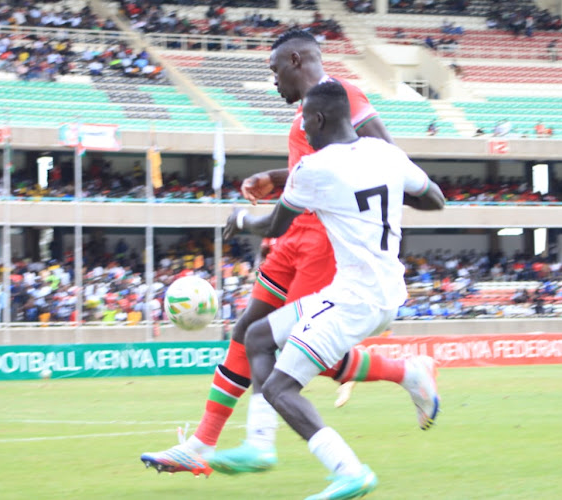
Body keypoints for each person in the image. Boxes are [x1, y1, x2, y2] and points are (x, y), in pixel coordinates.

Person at [140, 29, 435, 478]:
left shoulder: (343, 97)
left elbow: (378, 160)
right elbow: (320, 169)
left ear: (296, 60)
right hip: (292, 235)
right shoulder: (306, 114)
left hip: (326, 242)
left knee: (281, 343)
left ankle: (261, 443)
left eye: (275, 68)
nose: (273, 78)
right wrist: (277, 178)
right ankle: (202, 442)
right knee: (249, 330)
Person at [220, 81, 443, 498]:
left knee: (279, 387)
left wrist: (241, 219)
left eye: (304, 119)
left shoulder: (315, 168)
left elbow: (275, 226)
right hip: (382, 289)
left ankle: (350, 471)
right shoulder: (385, 154)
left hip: (354, 300)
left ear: (318, 119)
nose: (302, 128)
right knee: (258, 335)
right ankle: (260, 443)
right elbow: (435, 199)